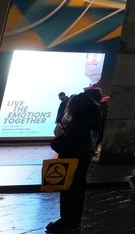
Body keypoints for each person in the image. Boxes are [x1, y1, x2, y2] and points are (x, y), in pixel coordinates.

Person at [49, 88, 102, 232]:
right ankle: (75, 218)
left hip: (72, 158)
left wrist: (57, 142)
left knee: (68, 190)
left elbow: (70, 142)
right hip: (84, 158)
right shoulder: (95, 117)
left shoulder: (79, 119)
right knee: (78, 189)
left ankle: (66, 220)